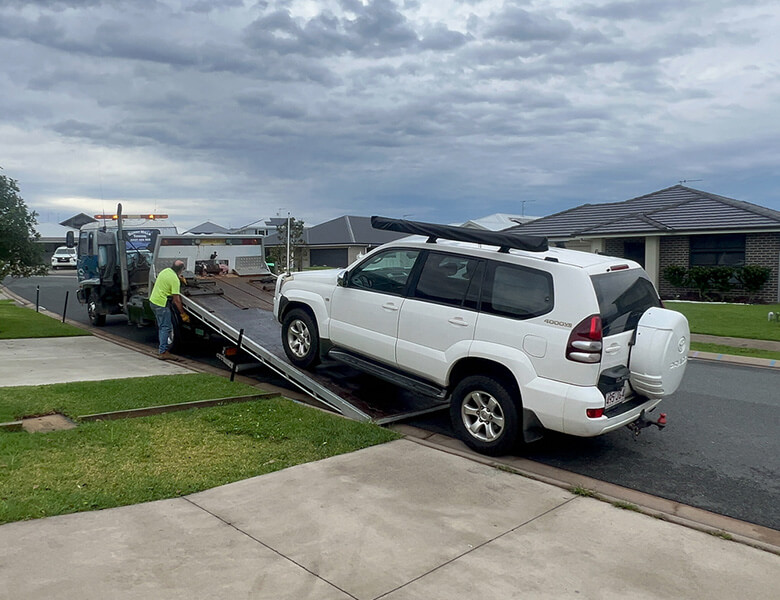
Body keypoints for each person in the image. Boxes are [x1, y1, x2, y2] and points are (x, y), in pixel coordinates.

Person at [149, 259, 189, 359]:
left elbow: (168, 280)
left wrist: (178, 277)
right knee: (165, 327)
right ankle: (163, 352)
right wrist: (182, 313)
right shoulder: (174, 281)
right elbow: (176, 300)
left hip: (153, 301)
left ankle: (163, 349)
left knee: (162, 326)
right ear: (181, 270)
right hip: (161, 305)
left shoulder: (165, 271)